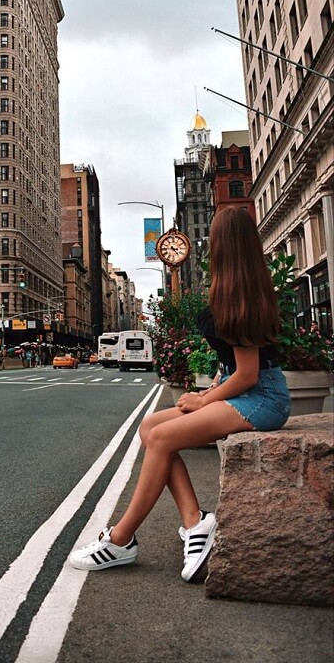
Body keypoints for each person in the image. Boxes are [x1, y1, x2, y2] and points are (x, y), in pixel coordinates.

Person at [70, 207, 291, 582]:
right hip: (248, 392)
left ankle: (121, 539)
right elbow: (238, 370)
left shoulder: (239, 293)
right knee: (150, 426)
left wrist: (205, 399)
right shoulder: (240, 288)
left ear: (220, 246)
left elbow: (249, 374)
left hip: (262, 399)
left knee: (160, 437)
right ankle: (195, 522)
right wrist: (210, 394)